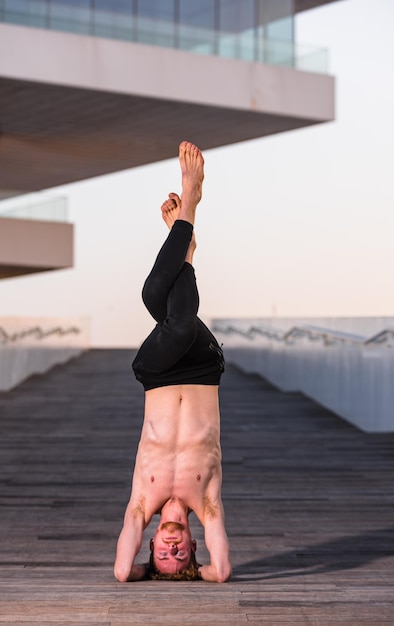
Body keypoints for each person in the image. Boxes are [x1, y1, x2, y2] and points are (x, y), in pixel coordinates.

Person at [114, 141, 231, 583]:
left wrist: (143, 570)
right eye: (180, 557)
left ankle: (186, 227)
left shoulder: (142, 502)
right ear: (193, 547)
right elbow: (221, 572)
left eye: (163, 557)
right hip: (203, 369)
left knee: (166, 312)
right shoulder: (208, 502)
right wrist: (201, 573)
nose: (172, 549)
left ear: (151, 545)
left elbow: (123, 572)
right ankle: (186, 232)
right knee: (163, 306)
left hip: (157, 372)